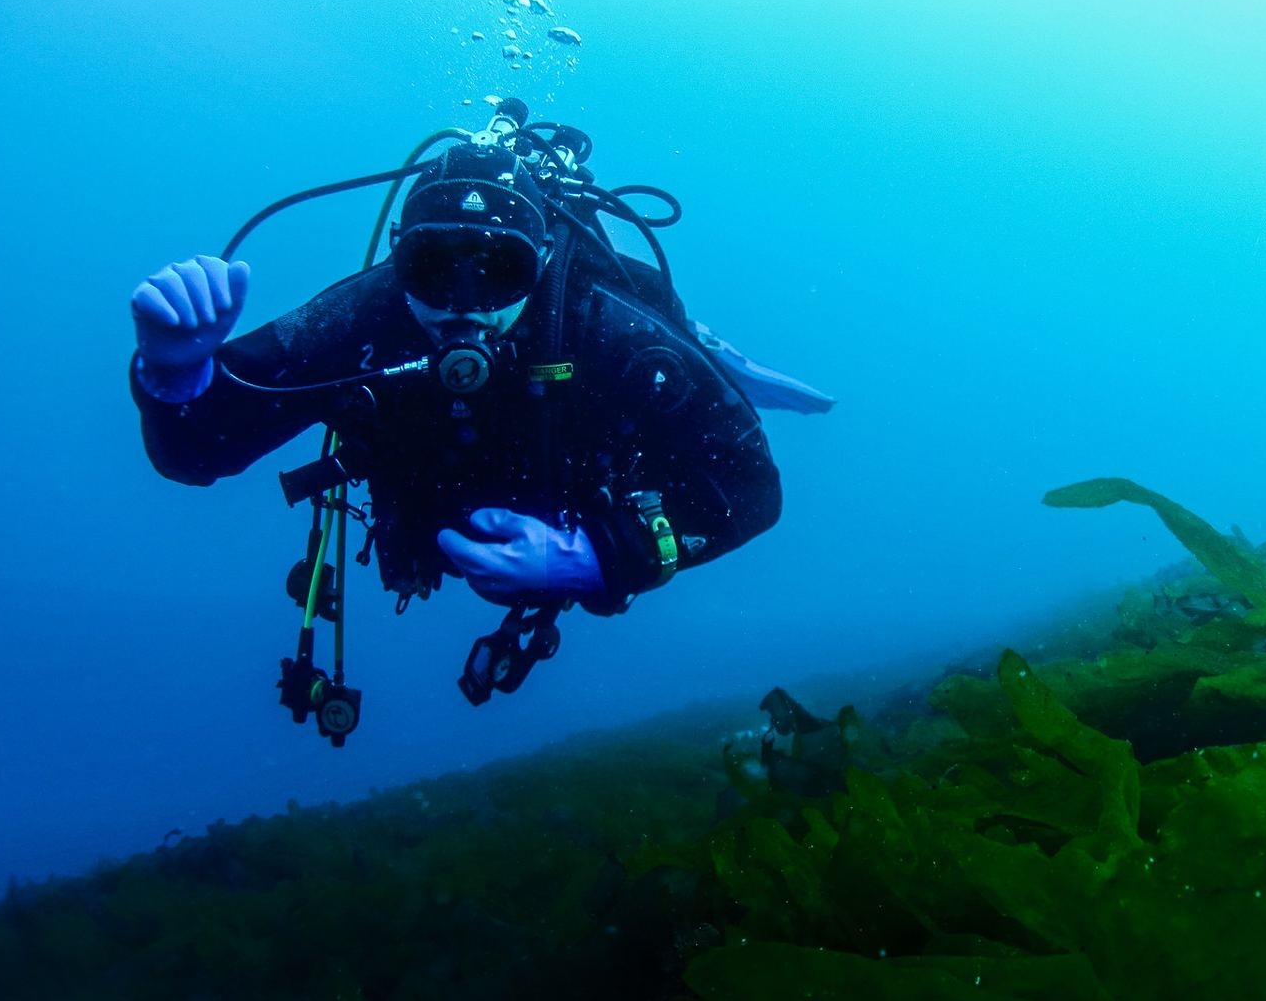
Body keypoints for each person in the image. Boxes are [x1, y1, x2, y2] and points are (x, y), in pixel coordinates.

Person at [129, 102, 823, 730]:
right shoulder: (362, 319)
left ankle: (713, 354)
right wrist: (172, 376)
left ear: (543, 259)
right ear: (400, 258)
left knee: (676, 353)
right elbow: (196, 452)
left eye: (500, 271)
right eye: (433, 267)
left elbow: (753, 485)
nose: (465, 301)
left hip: (610, 422)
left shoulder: (602, 327)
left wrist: (601, 556)